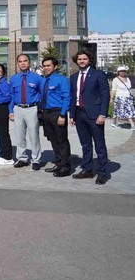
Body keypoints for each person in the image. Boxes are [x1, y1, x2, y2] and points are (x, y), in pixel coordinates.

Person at [70, 50, 111, 184]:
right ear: (76, 61)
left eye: (84, 59)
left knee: (99, 145)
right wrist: (72, 115)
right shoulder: (74, 77)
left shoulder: (98, 75)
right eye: (79, 59)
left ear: (90, 60)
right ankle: (87, 169)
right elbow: (73, 97)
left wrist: (103, 114)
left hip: (94, 115)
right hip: (79, 114)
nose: (82, 61)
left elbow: (105, 95)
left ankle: (102, 172)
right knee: (85, 144)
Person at [9, 54, 45, 170]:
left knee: (34, 135)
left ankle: (36, 159)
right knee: (19, 136)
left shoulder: (37, 78)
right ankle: (22, 158)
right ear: (17, 63)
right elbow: (12, 96)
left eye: (25, 61)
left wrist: (39, 106)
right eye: (20, 61)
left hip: (32, 108)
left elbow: (42, 92)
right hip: (18, 108)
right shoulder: (14, 78)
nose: (23, 63)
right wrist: (11, 111)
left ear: (29, 62)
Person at [40, 57, 72, 177]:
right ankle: (58, 162)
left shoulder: (61, 80)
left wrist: (63, 115)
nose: (46, 68)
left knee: (62, 140)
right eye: (44, 66)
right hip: (46, 113)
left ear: (55, 67)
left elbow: (66, 97)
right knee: (53, 139)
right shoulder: (44, 80)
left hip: (57, 113)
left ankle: (66, 166)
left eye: (48, 65)